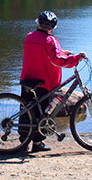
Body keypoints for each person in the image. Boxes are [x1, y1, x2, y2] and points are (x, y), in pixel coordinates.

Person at [20, 10, 86, 152]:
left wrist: (62, 52)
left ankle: (23, 143)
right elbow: (56, 59)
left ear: (38, 22)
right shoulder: (51, 40)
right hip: (44, 82)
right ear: (53, 27)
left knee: (26, 111)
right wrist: (76, 58)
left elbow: (41, 52)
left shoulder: (29, 36)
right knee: (42, 113)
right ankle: (37, 144)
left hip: (28, 78)